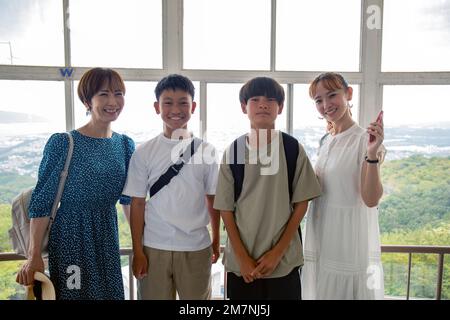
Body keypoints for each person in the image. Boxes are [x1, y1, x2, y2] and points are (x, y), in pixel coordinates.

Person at [16, 67, 135, 300]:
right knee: (74, 293)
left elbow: (129, 200)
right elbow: (42, 202)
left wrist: (139, 246)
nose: (113, 101)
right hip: (72, 237)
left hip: (107, 236)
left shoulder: (124, 145)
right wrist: (34, 255)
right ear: (87, 101)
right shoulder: (64, 143)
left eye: (118, 93)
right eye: (103, 94)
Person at [213, 77, 322, 300]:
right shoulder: (233, 151)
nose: (263, 104)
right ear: (244, 107)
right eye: (255, 99)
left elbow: (302, 203)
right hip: (242, 265)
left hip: (283, 263)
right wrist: (242, 257)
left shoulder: (292, 149)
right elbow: (225, 209)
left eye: (271, 100)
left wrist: (278, 252)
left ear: (280, 107)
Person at [122, 74, 220, 300]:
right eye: (168, 102)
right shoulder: (144, 152)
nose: (175, 109)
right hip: (154, 246)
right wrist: (138, 251)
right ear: (157, 107)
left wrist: (215, 240)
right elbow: (137, 203)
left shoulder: (207, 151)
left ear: (193, 106)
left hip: (196, 246)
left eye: (183, 102)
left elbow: (213, 199)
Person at [302, 72, 385, 300]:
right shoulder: (326, 141)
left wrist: (371, 153)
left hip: (347, 239)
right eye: (319, 100)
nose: (326, 105)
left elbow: (370, 199)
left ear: (348, 94)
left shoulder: (363, 139)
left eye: (332, 95)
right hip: (322, 232)